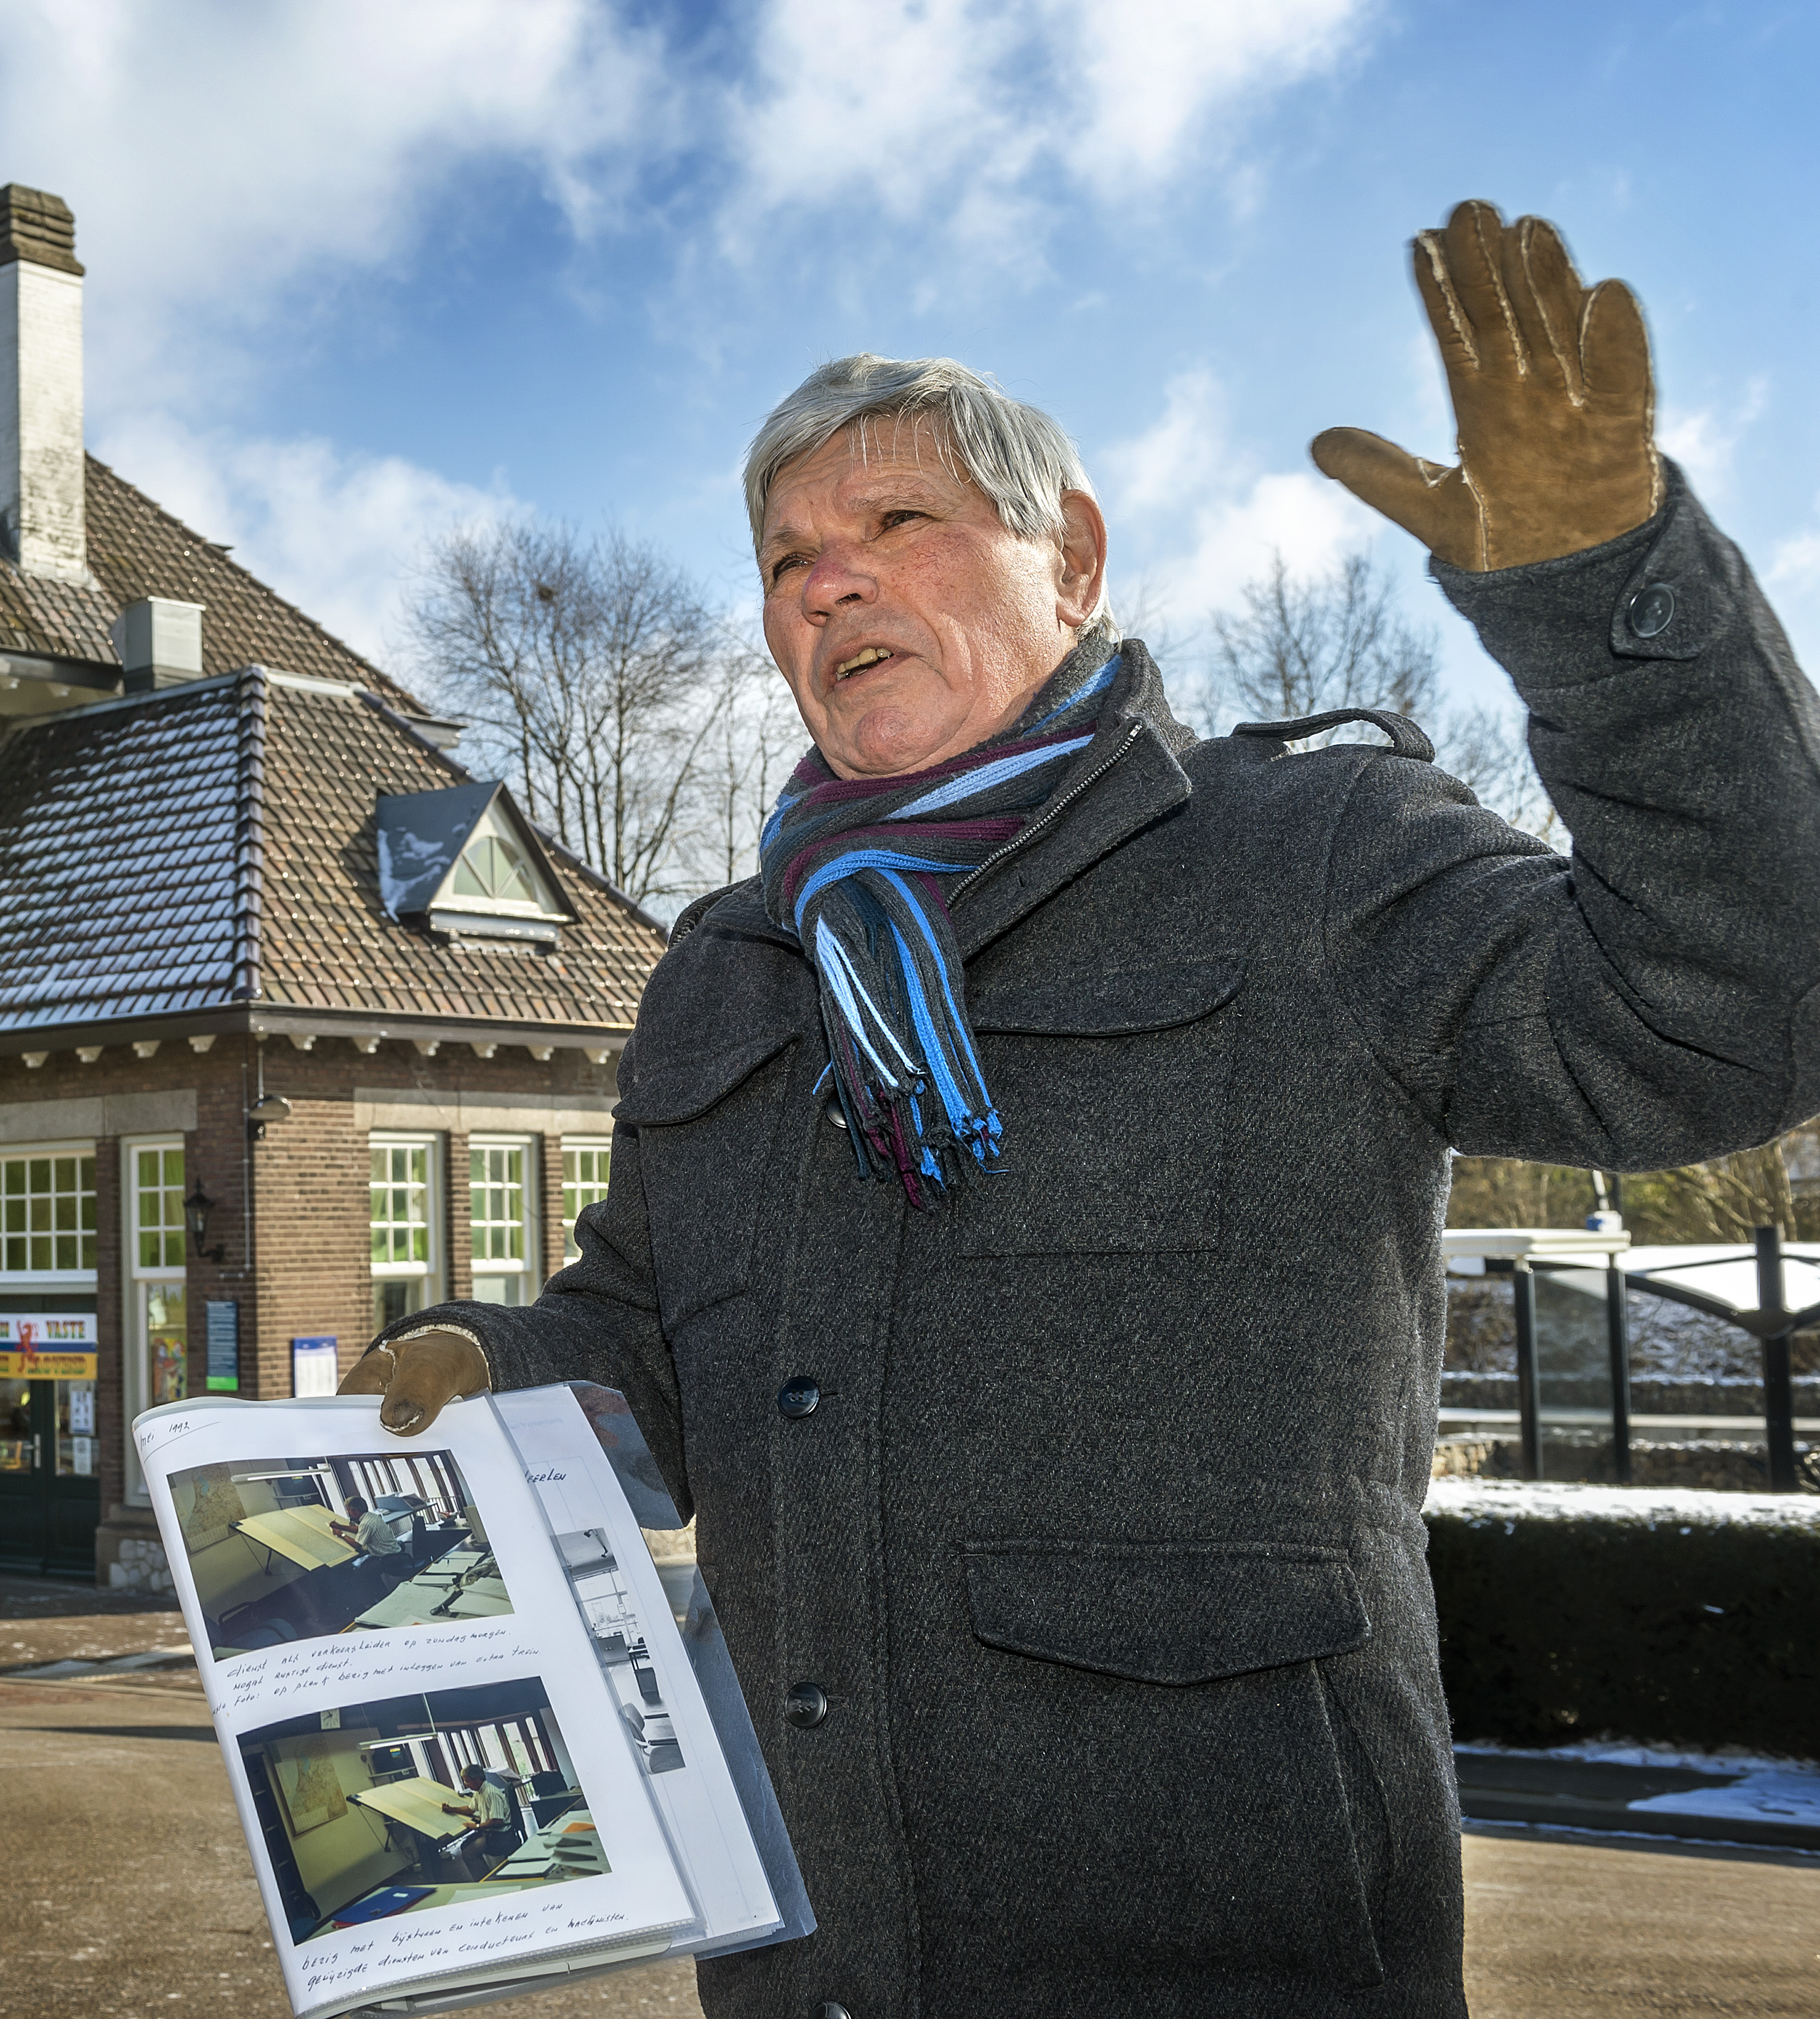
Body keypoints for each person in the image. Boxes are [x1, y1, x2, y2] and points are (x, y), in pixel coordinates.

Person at [344, 201, 1820, 2018]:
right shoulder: (725, 967)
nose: (830, 580)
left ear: (1076, 558)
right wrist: (491, 1368)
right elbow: (647, 1344)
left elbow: (1735, 1021)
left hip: (1229, 1959)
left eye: (900, 522)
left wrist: (1614, 602)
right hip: (813, 1962)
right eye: (787, 555)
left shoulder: (1311, 858)